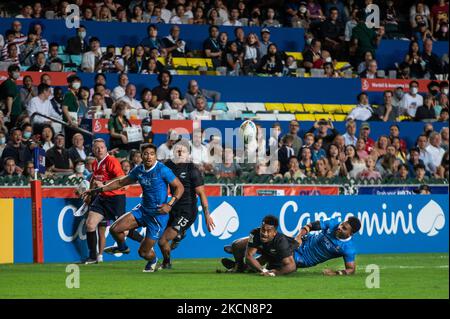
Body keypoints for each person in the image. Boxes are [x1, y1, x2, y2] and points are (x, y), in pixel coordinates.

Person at [83, 143, 184, 272]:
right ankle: (123, 247)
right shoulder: (139, 170)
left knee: (143, 252)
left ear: (156, 156)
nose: (149, 157)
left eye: (152, 154)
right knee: (115, 229)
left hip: (158, 215)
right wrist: (98, 190)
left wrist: (170, 204)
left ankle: (153, 260)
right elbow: (120, 182)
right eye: (146, 154)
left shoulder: (162, 170)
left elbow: (179, 187)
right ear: (141, 156)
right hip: (142, 210)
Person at [222, 215, 361, 277]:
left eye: (344, 228)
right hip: (299, 243)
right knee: (272, 246)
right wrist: (299, 236)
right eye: (342, 224)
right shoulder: (334, 224)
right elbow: (310, 225)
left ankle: (243, 264)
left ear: (351, 233)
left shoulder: (348, 248)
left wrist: (336, 273)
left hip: (303, 259)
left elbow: (351, 269)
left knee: (270, 254)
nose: (340, 227)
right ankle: (245, 259)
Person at [81, 138, 144, 264]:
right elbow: (95, 180)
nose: (99, 150)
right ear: (93, 150)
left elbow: (121, 178)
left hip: (115, 198)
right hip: (101, 198)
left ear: (106, 149)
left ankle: (143, 241)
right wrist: (91, 193)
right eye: (97, 148)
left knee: (123, 228)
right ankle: (93, 257)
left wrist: (104, 183)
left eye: (102, 147)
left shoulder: (112, 161)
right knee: (90, 224)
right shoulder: (95, 163)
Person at [157, 140, 215, 269]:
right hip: (172, 208)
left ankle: (167, 262)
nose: (179, 152)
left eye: (183, 150)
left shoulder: (192, 170)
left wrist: (207, 216)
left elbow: (201, 194)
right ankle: (175, 243)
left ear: (188, 154)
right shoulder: (168, 166)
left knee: (163, 241)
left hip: (187, 212)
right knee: (161, 240)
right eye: (177, 149)